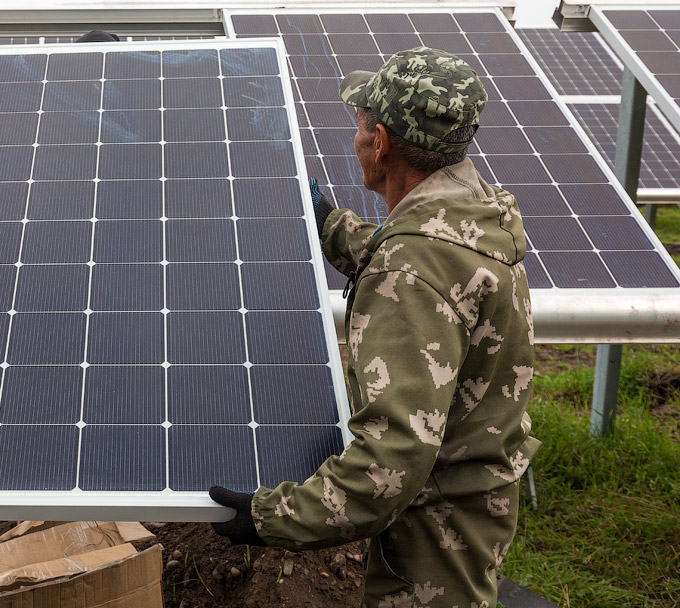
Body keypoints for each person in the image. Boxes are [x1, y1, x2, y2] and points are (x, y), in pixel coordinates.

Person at [209, 48, 539, 608]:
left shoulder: (408, 270)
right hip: (474, 495)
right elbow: (428, 269)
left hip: (433, 530)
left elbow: (392, 460)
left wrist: (273, 517)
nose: (356, 140)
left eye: (361, 128)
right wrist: (327, 221)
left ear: (380, 143)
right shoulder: (476, 214)